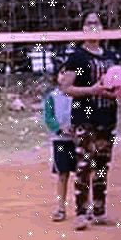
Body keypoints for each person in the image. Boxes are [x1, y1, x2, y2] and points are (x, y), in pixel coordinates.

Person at [57, 12, 121, 231]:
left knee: (102, 167)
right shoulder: (77, 57)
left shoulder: (111, 56)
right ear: (83, 29)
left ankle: (99, 212)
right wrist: (92, 90)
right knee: (84, 166)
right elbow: (66, 88)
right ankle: (81, 213)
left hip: (107, 117)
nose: (93, 27)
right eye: (88, 23)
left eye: (96, 23)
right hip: (85, 118)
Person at [42, 81, 75, 221]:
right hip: (60, 140)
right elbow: (48, 118)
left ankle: (84, 208)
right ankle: (61, 208)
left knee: (83, 174)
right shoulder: (52, 96)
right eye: (62, 73)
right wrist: (60, 129)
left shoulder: (80, 94)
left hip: (79, 139)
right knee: (62, 174)